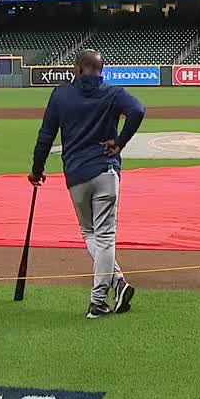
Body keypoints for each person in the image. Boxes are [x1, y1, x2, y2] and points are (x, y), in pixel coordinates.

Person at [30, 49, 146, 319]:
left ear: (77, 68)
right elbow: (138, 110)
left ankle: (116, 284)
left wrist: (37, 169)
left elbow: (46, 135)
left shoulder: (60, 95)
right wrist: (120, 142)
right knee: (104, 236)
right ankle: (99, 300)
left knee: (90, 233)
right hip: (105, 170)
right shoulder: (112, 93)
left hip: (76, 174)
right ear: (101, 70)